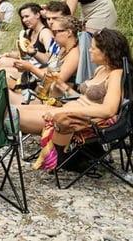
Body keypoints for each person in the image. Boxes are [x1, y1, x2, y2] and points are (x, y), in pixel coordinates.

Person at [16, 29, 130, 170]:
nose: (89, 50)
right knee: (14, 109)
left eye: (93, 48)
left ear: (107, 51)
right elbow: (85, 97)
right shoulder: (100, 69)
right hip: (69, 109)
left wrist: (68, 110)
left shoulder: (116, 74)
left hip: (81, 120)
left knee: (14, 116)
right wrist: (65, 88)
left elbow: (108, 110)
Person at [11, 16, 82, 104]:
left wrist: (31, 68)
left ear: (68, 32)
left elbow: (57, 80)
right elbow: (50, 69)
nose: (53, 36)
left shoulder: (74, 54)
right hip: (43, 91)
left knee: (7, 94)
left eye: (54, 32)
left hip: (56, 100)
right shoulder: (63, 49)